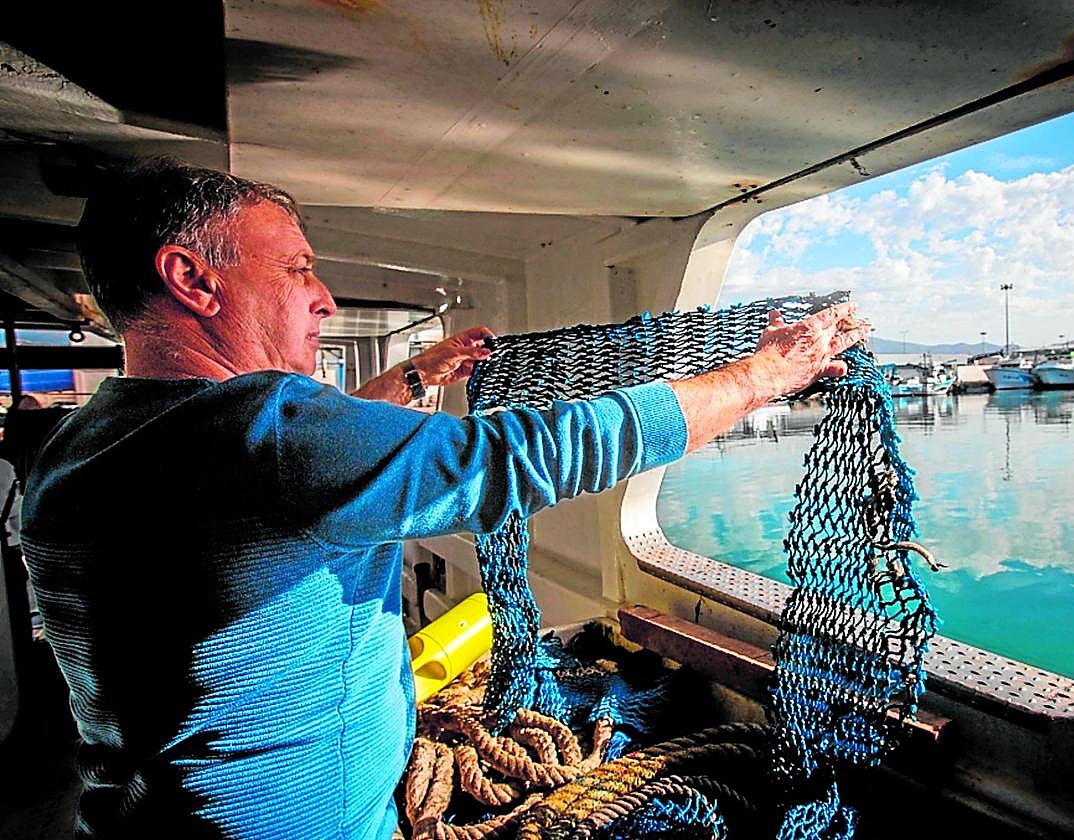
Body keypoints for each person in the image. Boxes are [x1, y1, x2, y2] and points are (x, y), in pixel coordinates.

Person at [20, 158, 868, 839]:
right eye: (299, 270)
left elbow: (312, 470)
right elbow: (522, 456)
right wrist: (763, 376)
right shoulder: (258, 429)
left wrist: (422, 374)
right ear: (192, 281)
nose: (322, 297)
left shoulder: (83, 443)